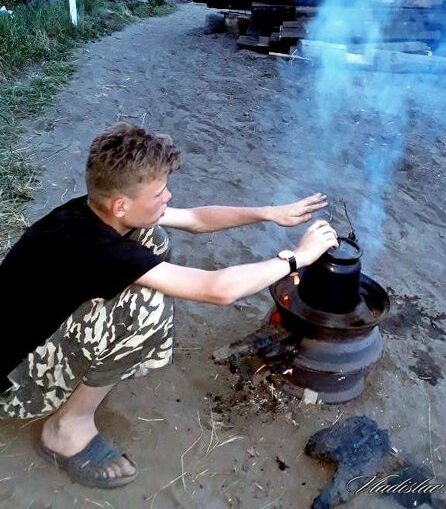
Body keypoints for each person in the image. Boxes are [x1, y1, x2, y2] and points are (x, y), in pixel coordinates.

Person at [0, 122, 337, 489]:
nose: (169, 197)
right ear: (121, 203)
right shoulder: (98, 249)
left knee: (153, 237)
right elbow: (217, 290)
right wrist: (297, 258)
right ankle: (64, 430)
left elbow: (195, 220)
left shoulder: (93, 211)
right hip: (15, 385)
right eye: (160, 192)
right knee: (147, 306)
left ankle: (111, 361)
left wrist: (270, 212)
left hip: (28, 336)